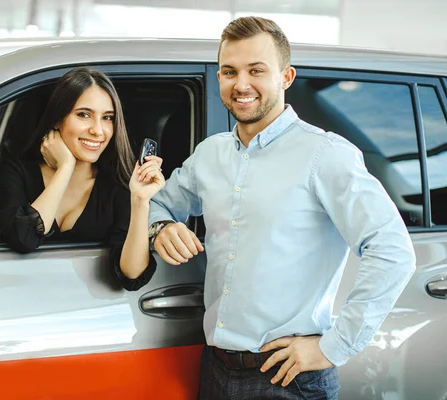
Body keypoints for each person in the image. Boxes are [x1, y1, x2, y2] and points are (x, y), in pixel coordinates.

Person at [147, 17, 416, 399]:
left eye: (256, 70)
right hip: (216, 371)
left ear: (286, 77)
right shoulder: (210, 155)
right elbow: (155, 204)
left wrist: (333, 346)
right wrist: (161, 227)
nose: (241, 84)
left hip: (289, 381)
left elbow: (393, 251)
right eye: (229, 71)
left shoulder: (324, 154)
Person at [0, 67, 164, 290]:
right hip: (17, 306)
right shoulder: (16, 171)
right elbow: (23, 238)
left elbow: (131, 275)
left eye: (107, 118)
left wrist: (141, 201)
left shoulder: (117, 187)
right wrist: (65, 167)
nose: (98, 130)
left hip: (85, 312)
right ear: (57, 119)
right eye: (84, 114)